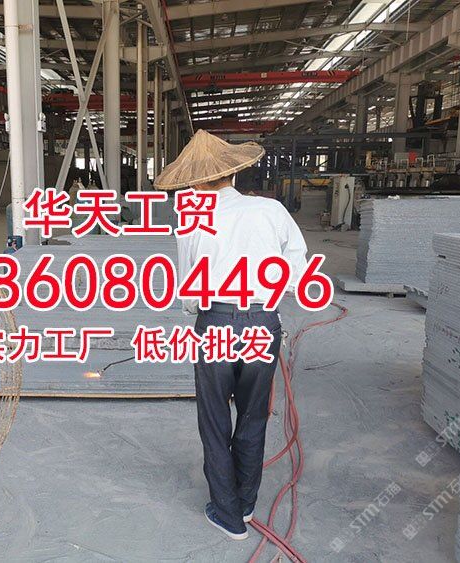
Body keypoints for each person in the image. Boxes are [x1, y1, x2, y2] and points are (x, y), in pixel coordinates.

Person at [153, 129, 308, 540]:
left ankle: (227, 514)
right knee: (254, 416)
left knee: (214, 420)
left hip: (216, 322)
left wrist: (203, 311)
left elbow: (189, 287)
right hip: (262, 323)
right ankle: (246, 503)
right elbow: (296, 267)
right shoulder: (271, 210)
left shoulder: (192, 220)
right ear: (233, 174)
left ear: (194, 183)